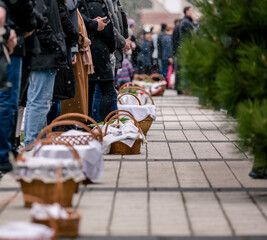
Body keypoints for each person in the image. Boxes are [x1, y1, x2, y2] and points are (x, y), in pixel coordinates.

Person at [23, 0, 68, 147]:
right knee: (40, 101)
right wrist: (56, 44)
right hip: (44, 54)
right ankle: (33, 143)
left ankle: (34, 142)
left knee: (37, 100)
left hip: (43, 53)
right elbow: (41, 22)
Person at [0, 0, 37, 173]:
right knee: (8, 100)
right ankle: (3, 154)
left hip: (12, 35)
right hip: (10, 42)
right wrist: (30, 23)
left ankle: (6, 151)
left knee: (8, 100)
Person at [61, 8, 94, 122]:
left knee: (78, 93)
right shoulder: (70, 6)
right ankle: (67, 125)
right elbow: (68, 25)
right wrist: (75, 45)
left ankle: (72, 123)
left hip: (75, 49)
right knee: (71, 96)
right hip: (71, 50)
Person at [85, 0, 116, 122]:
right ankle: (104, 123)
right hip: (99, 52)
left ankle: (88, 124)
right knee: (108, 90)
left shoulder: (86, 4)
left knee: (89, 91)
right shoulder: (98, 5)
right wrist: (112, 47)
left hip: (90, 51)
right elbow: (108, 30)